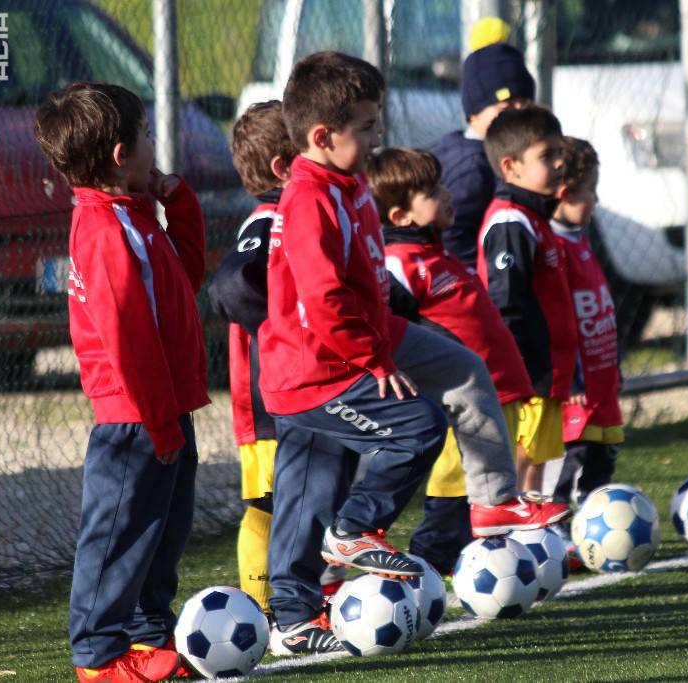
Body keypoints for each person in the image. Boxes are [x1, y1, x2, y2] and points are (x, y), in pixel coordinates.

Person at [259, 52, 570, 655]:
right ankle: (340, 548)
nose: (379, 139)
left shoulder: (345, 183)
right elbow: (323, 300)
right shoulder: (306, 199)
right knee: (406, 433)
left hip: (368, 337)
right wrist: (373, 360)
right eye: (368, 128)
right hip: (317, 368)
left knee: (462, 370)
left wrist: (385, 336)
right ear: (323, 136)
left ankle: (495, 504)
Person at [34, 82, 208, 683]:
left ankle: (147, 637)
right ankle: (97, 654)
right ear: (119, 154)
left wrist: (178, 202)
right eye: (147, 136)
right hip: (134, 416)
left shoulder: (133, 217)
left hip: (165, 408)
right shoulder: (107, 232)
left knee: (164, 528)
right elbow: (129, 342)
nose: (155, 146)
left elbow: (186, 277)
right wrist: (158, 420)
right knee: (118, 533)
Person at [365, 146, 537, 575]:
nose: (446, 195)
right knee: (451, 507)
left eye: (441, 185)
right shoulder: (399, 265)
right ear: (401, 217)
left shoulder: (438, 255)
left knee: (480, 509)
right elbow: (390, 327)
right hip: (461, 407)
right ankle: (418, 575)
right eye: (431, 192)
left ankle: (484, 577)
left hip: (496, 397)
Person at [206, 101, 346, 613]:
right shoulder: (266, 220)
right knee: (267, 503)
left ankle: (309, 586)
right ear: (283, 169)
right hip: (267, 399)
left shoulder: (297, 213)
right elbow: (229, 287)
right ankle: (262, 608)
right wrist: (282, 323)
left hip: (299, 388)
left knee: (308, 493)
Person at [477, 105, 580, 495]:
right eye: (546, 156)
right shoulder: (510, 222)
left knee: (535, 460)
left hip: (544, 373)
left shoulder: (533, 216)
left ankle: (530, 536)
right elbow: (505, 301)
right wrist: (518, 366)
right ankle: (514, 536)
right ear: (511, 166)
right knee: (522, 459)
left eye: (560, 153)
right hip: (525, 375)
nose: (559, 164)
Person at [548, 137, 624, 519]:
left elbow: (599, 309)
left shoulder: (580, 239)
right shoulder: (553, 247)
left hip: (602, 379)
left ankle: (593, 528)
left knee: (602, 458)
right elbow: (556, 316)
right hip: (578, 389)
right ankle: (559, 529)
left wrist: (615, 366)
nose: (594, 199)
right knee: (570, 460)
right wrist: (571, 378)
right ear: (563, 194)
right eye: (588, 191)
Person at [433, 39, 534, 268]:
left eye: (525, 105)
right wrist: (484, 273)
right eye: (506, 107)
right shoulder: (473, 167)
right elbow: (453, 235)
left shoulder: (481, 153)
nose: (517, 115)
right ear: (474, 113)